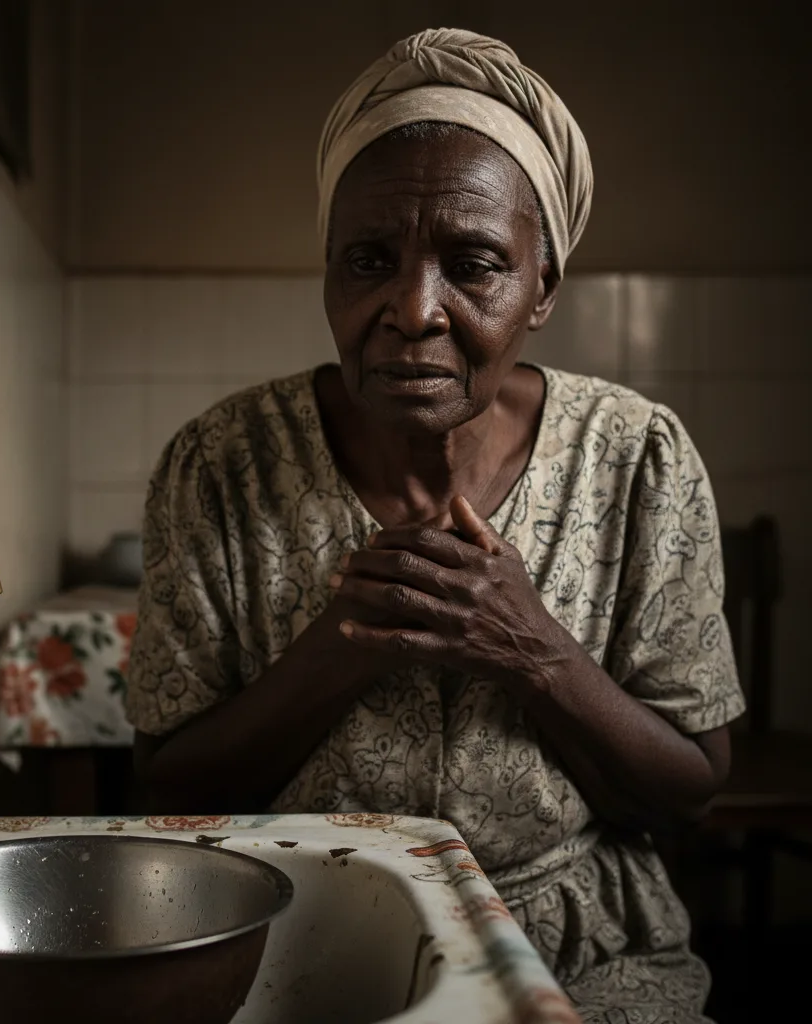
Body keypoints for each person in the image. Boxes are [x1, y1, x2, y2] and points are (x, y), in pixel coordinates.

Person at [125, 28, 743, 1022]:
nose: (412, 310)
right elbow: (164, 786)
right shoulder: (221, 463)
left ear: (541, 286)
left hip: (578, 951)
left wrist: (529, 647)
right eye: (369, 259)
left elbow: (689, 789)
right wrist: (343, 647)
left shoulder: (636, 456)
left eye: (474, 263)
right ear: (326, 270)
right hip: (289, 940)